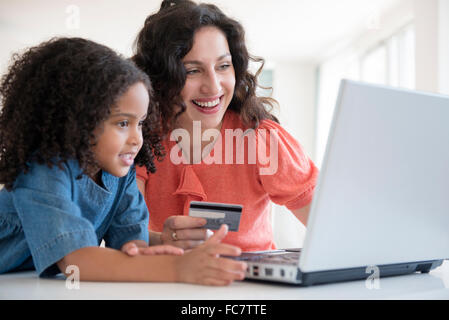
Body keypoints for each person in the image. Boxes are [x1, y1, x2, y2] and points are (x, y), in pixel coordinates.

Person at [0, 37, 246, 285]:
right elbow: (75, 262)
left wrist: (158, 245)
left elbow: (131, 244)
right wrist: (176, 267)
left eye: (140, 123)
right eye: (122, 123)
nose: (136, 139)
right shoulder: (44, 169)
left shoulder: (120, 174)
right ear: (75, 122)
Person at [133, 0, 319, 251]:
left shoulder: (260, 138)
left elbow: (330, 227)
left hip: (252, 286)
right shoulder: (140, 139)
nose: (214, 87)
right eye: (192, 71)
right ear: (162, 78)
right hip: (171, 283)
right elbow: (128, 237)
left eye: (223, 66)